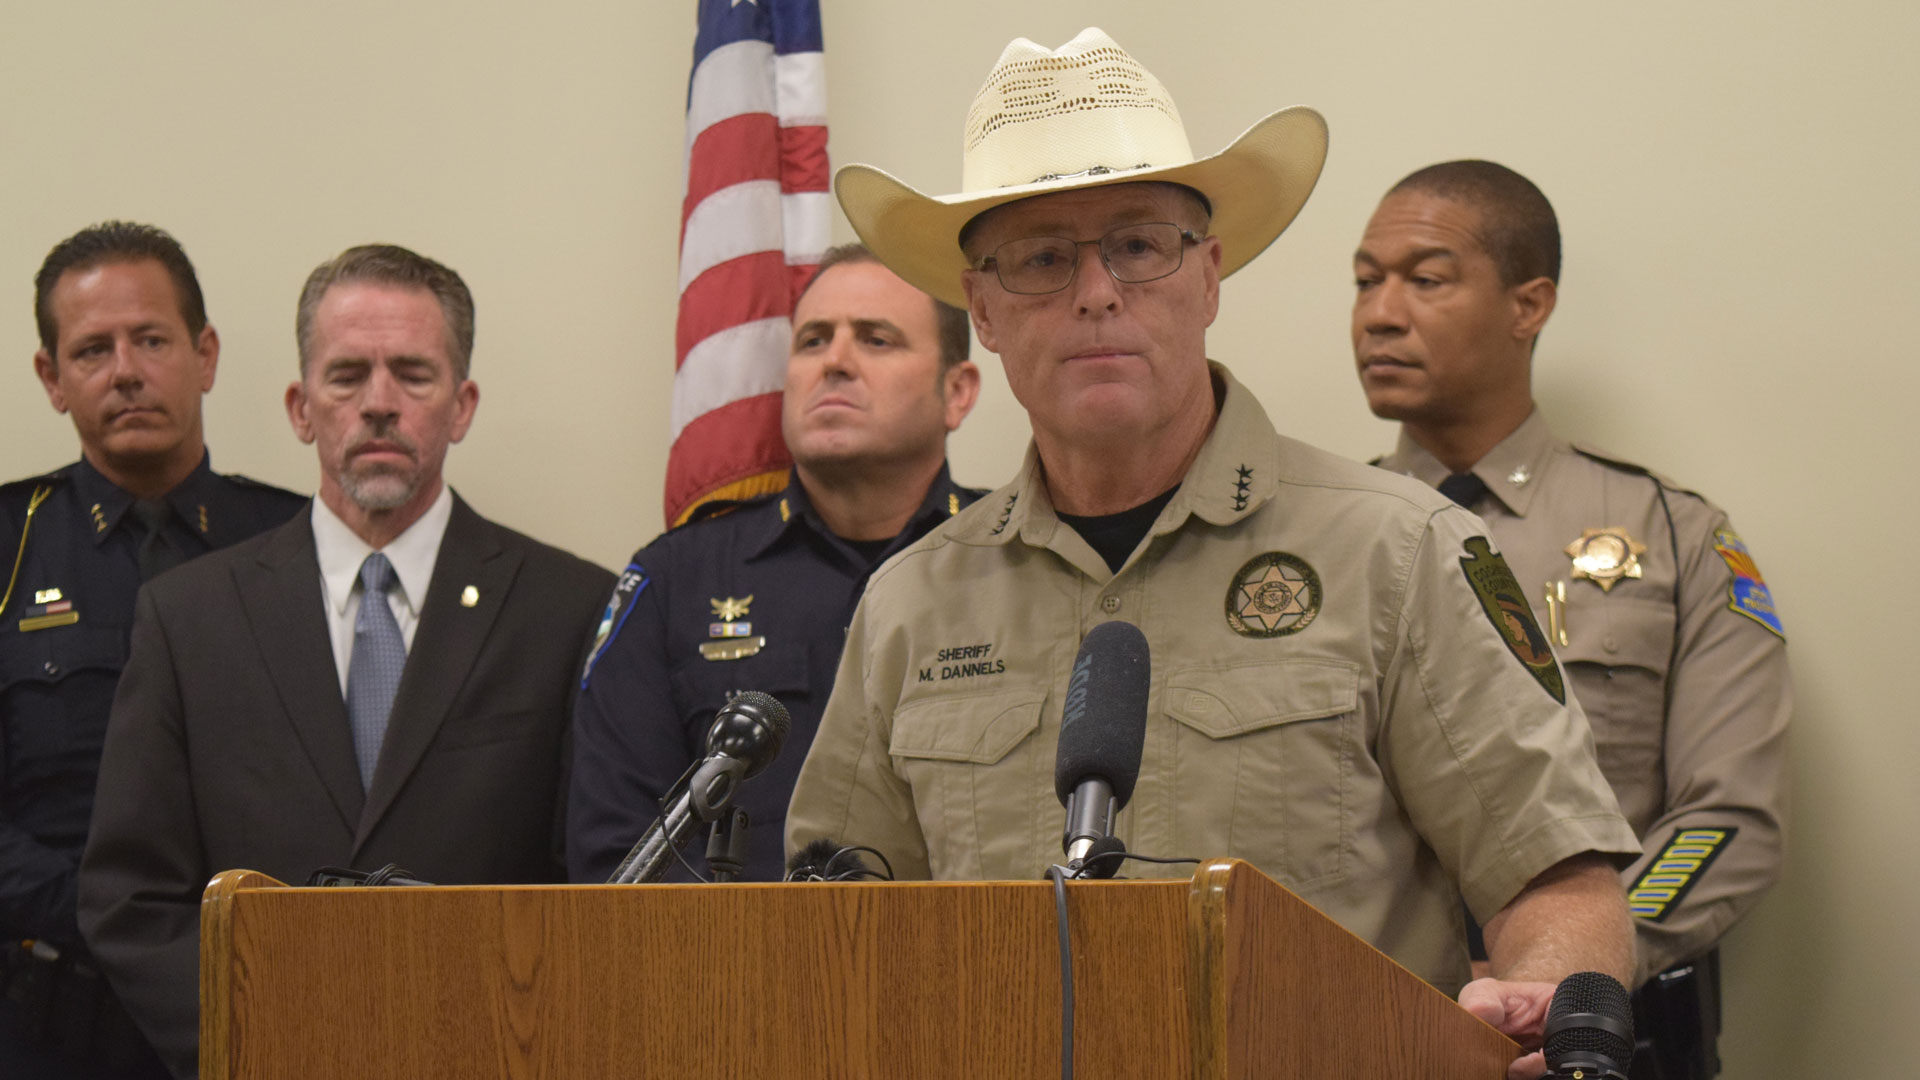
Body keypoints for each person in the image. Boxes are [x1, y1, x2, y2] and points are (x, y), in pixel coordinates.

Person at [784, 28, 1642, 1079]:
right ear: (988, 312)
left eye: (1140, 246)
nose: (1098, 291)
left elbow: (1553, 877)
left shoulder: (1400, 549)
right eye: (1045, 258)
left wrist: (1546, 1004)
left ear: (1210, 276)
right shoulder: (911, 602)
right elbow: (839, 931)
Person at [76, 244, 613, 1078]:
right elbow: (130, 899)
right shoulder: (189, 617)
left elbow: (594, 883)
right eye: (347, 376)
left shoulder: (569, 608)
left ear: (462, 405)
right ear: (300, 407)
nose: (380, 404)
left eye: (413, 374)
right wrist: (270, 1032)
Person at [1352, 159, 1790, 1078]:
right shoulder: (1325, 541)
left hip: (1609, 1041)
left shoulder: (1671, 534)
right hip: (1379, 1025)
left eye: (1425, 280)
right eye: (1365, 281)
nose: (1379, 313)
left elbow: (1725, 820)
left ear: (1529, 304)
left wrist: (1574, 965)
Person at [569, 245, 983, 883]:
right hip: (728, 975)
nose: (835, 362)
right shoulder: (676, 580)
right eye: (813, 340)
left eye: (876, 340)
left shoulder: (1011, 559)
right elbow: (614, 854)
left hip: (977, 968)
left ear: (956, 392)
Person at [1, 222, 306, 1079]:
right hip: (49, 1017)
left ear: (205, 355)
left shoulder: (300, 541)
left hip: (268, 996)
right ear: (51, 379)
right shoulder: (8, 551)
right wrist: (121, 923)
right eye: (92, 349)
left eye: (152, 339)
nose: (126, 370)